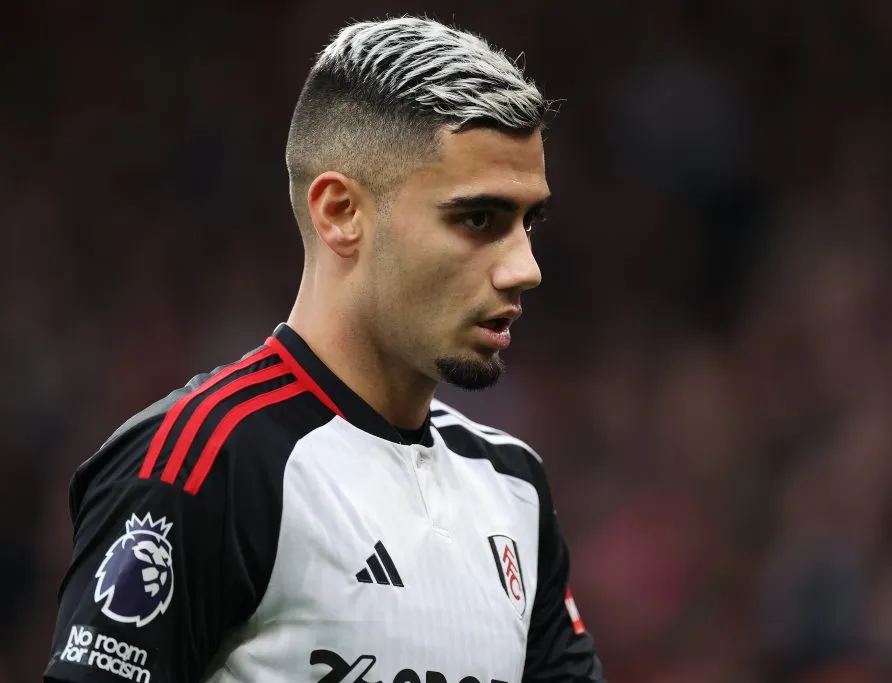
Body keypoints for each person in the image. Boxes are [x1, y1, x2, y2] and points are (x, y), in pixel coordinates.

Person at [43, 16, 604, 683]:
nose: (525, 268)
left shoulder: (514, 485)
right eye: (478, 218)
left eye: (528, 222)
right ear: (340, 212)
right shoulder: (204, 465)